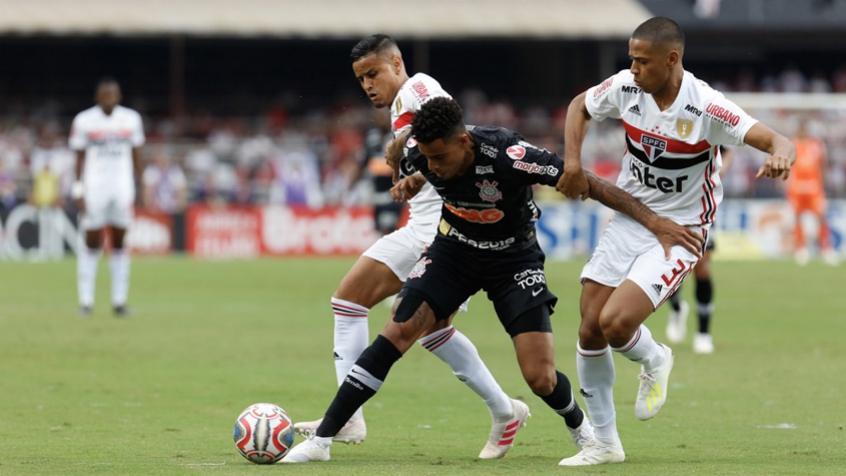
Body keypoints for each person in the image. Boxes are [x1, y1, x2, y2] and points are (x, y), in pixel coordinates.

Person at [281, 97, 705, 464]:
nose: (433, 167)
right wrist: (411, 173)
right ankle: (323, 439)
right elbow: (405, 149)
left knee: (539, 375)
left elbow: (587, 183)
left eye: (439, 159)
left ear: (464, 142)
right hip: (454, 251)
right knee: (399, 330)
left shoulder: (509, 153)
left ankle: (581, 428)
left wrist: (655, 222)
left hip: (513, 259)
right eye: (426, 159)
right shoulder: (420, 150)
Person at [556, 17, 794, 466]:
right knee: (588, 326)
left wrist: (782, 155)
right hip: (629, 221)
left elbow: (776, 138)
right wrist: (573, 162)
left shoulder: (706, 107)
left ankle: (655, 358)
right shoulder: (626, 88)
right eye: (630, 59)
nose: (633, 69)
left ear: (672, 59)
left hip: (681, 232)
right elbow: (579, 107)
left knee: (616, 323)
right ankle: (604, 444)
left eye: (641, 61)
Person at [294, 34, 525, 460]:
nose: (367, 85)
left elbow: (443, 128)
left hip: (445, 230)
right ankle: (502, 409)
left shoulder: (417, 89)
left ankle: (504, 409)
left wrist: (401, 148)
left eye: (373, 73)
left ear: (396, 63)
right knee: (358, 304)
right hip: (424, 226)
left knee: (408, 322)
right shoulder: (408, 99)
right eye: (361, 78)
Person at [69, 78, 145, 317]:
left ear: (119, 96)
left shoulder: (131, 119)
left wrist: (139, 186)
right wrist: (78, 190)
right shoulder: (84, 120)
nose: (109, 98)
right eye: (105, 94)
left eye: (113, 94)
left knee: (120, 242)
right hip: (94, 189)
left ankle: (119, 301)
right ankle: (86, 301)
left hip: (122, 188)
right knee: (92, 241)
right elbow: (78, 158)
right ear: (97, 98)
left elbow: (136, 154)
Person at [665, 145, 734, 354]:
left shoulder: (700, 117)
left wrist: (717, 172)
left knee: (702, 266)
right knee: (667, 266)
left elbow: (727, 150)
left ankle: (703, 333)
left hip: (700, 206)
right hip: (667, 202)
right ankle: (677, 308)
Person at [787, 119, 838, 266]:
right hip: (797, 187)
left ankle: (826, 249)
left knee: (821, 217)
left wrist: (825, 182)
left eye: (804, 129)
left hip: (814, 187)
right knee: (797, 217)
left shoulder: (816, 145)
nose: (802, 131)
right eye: (800, 129)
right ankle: (801, 249)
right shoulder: (793, 144)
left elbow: (823, 164)